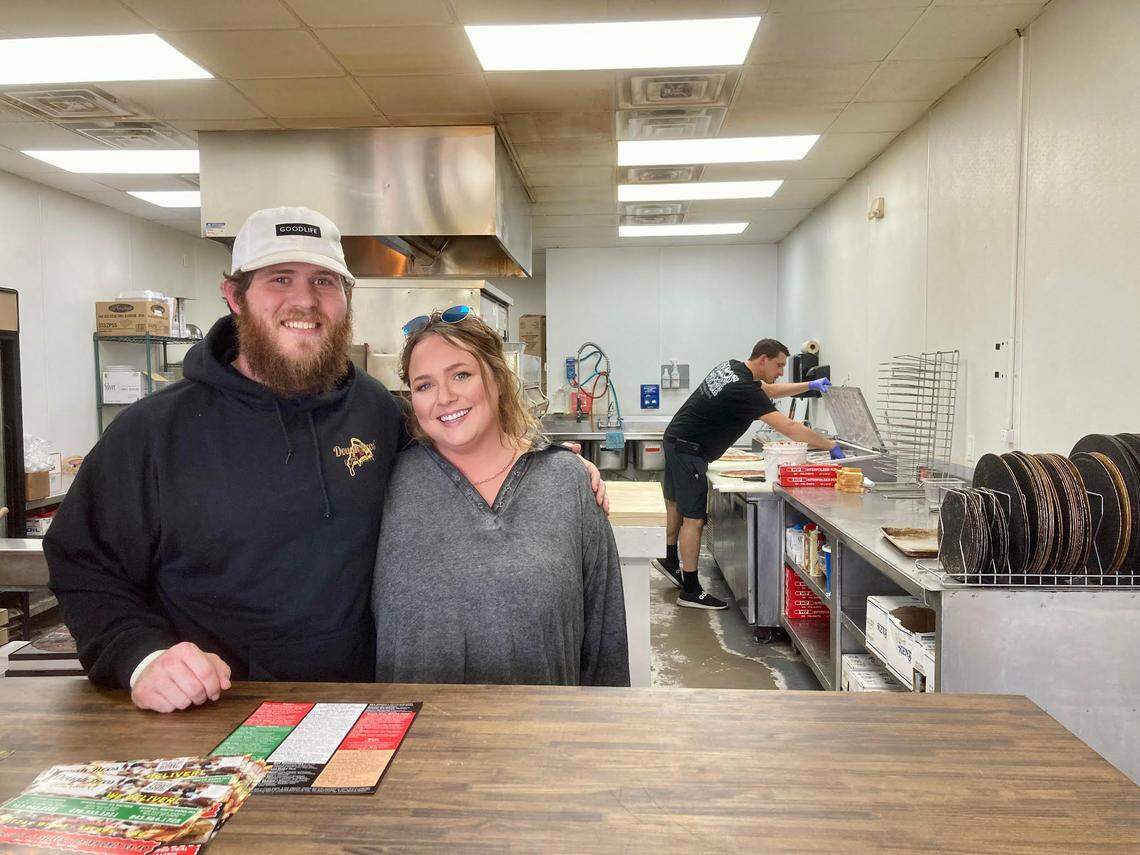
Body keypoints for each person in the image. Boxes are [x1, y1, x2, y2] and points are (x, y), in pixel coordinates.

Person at [45, 206, 608, 714]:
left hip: (368, 710)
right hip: (214, 712)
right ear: (234, 297)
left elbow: (464, 447)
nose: (304, 301)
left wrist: (549, 467)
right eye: (279, 280)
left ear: (345, 299)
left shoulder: (376, 411)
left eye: (323, 282)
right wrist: (141, 657)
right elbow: (83, 564)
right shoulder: (151, 433)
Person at [371, 308, 629, 686]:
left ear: (496, 379)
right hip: (415, 739)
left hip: (542, 737)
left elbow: (605, 632)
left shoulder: (566, 481)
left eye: (461, 374)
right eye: (424, 385)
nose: (444, 397)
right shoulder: (388, 481)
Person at [652, 339, 841, 609]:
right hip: (688, 450)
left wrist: (808, 386)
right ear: (763, 359)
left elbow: (770, 390)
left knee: (675, 505)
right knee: (693, 519)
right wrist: (830, 445)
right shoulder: (743, 389)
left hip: (676, 439)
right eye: (778, 365)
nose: (780, 371)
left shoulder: (732, 368)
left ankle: (671, 561)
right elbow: (788, 426)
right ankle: (690, 590)